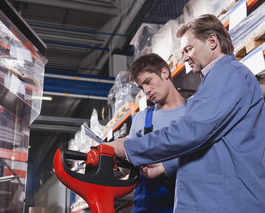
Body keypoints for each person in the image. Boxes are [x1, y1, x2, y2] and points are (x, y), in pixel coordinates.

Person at [108, 14, 265, 212]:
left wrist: (129, 148)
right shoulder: (214, 82)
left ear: (212, 42)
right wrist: (165, 166)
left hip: (228, 202)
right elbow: (208, 144)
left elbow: (191, 132)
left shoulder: (229, 74)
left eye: (188, 49)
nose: (184, 58)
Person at [126, 53, 186, 213]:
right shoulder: (141, 119)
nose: (146, 90)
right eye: (141, 87)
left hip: (188, 202)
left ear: (165, 73)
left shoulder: (194, 112)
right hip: (148, 206)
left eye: (148, 81)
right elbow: (129, 163)